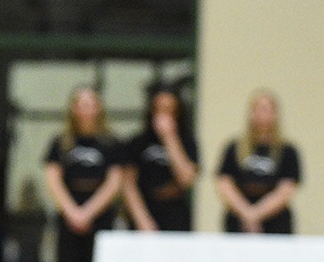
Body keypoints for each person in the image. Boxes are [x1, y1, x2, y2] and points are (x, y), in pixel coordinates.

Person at [43, 87, 126, 262]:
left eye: (92, 103)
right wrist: (73, 212)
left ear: (99, 109)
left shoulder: (111, 144)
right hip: (70, 219)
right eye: (82, 103)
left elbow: (115, 181)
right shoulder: (61, 143)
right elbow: (53, 179)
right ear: (74, 109)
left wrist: (90, 211)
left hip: (99, 218)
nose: (87, 108)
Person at [215, 89, 301, 234]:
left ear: (275, 114)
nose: (261, 114)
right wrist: (246, 214)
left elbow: (286, 189)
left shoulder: (287, 151)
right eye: (257, 109)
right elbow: (224, 183)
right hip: (238, 219)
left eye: (266, 109)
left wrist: (256, 215)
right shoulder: (234, 148)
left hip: (275, 221)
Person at [121, 83, 199, 233]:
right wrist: (142, 220)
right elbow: (128, 185)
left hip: (175, 214)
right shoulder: (138, 142)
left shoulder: (187, 142)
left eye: (170, 110)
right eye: (160, 109)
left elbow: (186, 179)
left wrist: (170, 138)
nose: (164, 115)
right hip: (144, 210)